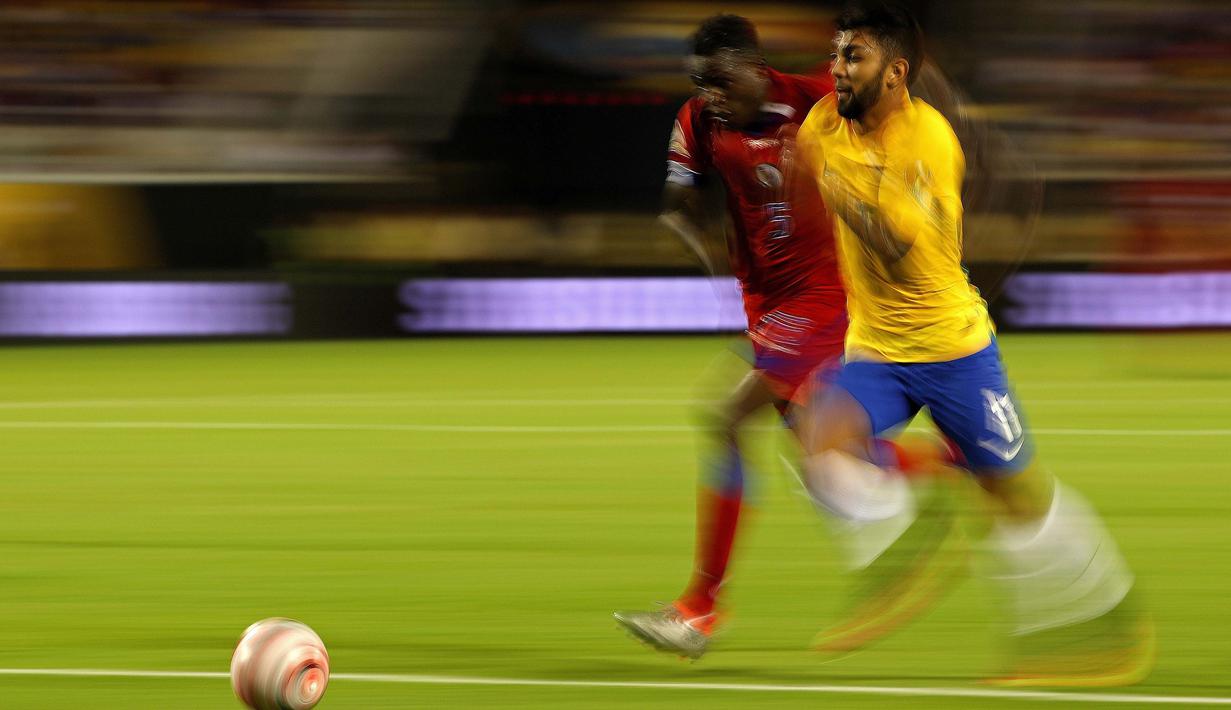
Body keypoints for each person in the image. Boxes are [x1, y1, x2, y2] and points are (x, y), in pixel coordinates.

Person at [796, 2, 1154, 685]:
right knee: (819, 440)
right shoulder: (822, 123)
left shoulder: (926, 141)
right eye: (837, 52)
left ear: (894, 72)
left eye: (854, 56)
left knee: (1016, 499)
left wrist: (832, 181)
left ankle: (1110, 625)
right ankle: (914, 535)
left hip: (954, 354)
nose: (837, 68)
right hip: (876, 352)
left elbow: (896, 243)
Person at [614, 14, 957, 661]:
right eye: (699, 83)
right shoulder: (697, 122)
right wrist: (691, 234)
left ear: (753, 68)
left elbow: (896, 116)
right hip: (766, 303)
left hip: (825, 293)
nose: (709, 95)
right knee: (821, 453)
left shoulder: (813, 101)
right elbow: (675, 199)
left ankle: (699, 609)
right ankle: (952, 465)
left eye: (720, 81)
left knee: (723, 417)